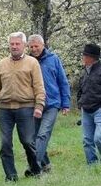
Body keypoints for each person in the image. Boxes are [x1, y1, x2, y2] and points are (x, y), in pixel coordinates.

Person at [0, 32, 45, 182]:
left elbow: (39, 86)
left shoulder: (32, 63)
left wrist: (39, 105)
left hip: (26, 107)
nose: (14, 46)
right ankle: (11, 176)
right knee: (5, 144)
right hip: (5, 109)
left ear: (24, 46)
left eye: (17, 44)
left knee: (27, 141)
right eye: (12, 44)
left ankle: (35, 169)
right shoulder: (1, 64)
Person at [27, 34, 70, 173]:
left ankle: (34, 166)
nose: (34, 49)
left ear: (43, 45)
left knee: (43, 134)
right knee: (33, 137)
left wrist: (66, 103)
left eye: (36, 46)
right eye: (31, 47)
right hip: (33, 104)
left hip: (52, 103)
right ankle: (46, 165)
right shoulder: (26, 61)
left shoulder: (53, 59)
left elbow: (62, 81)